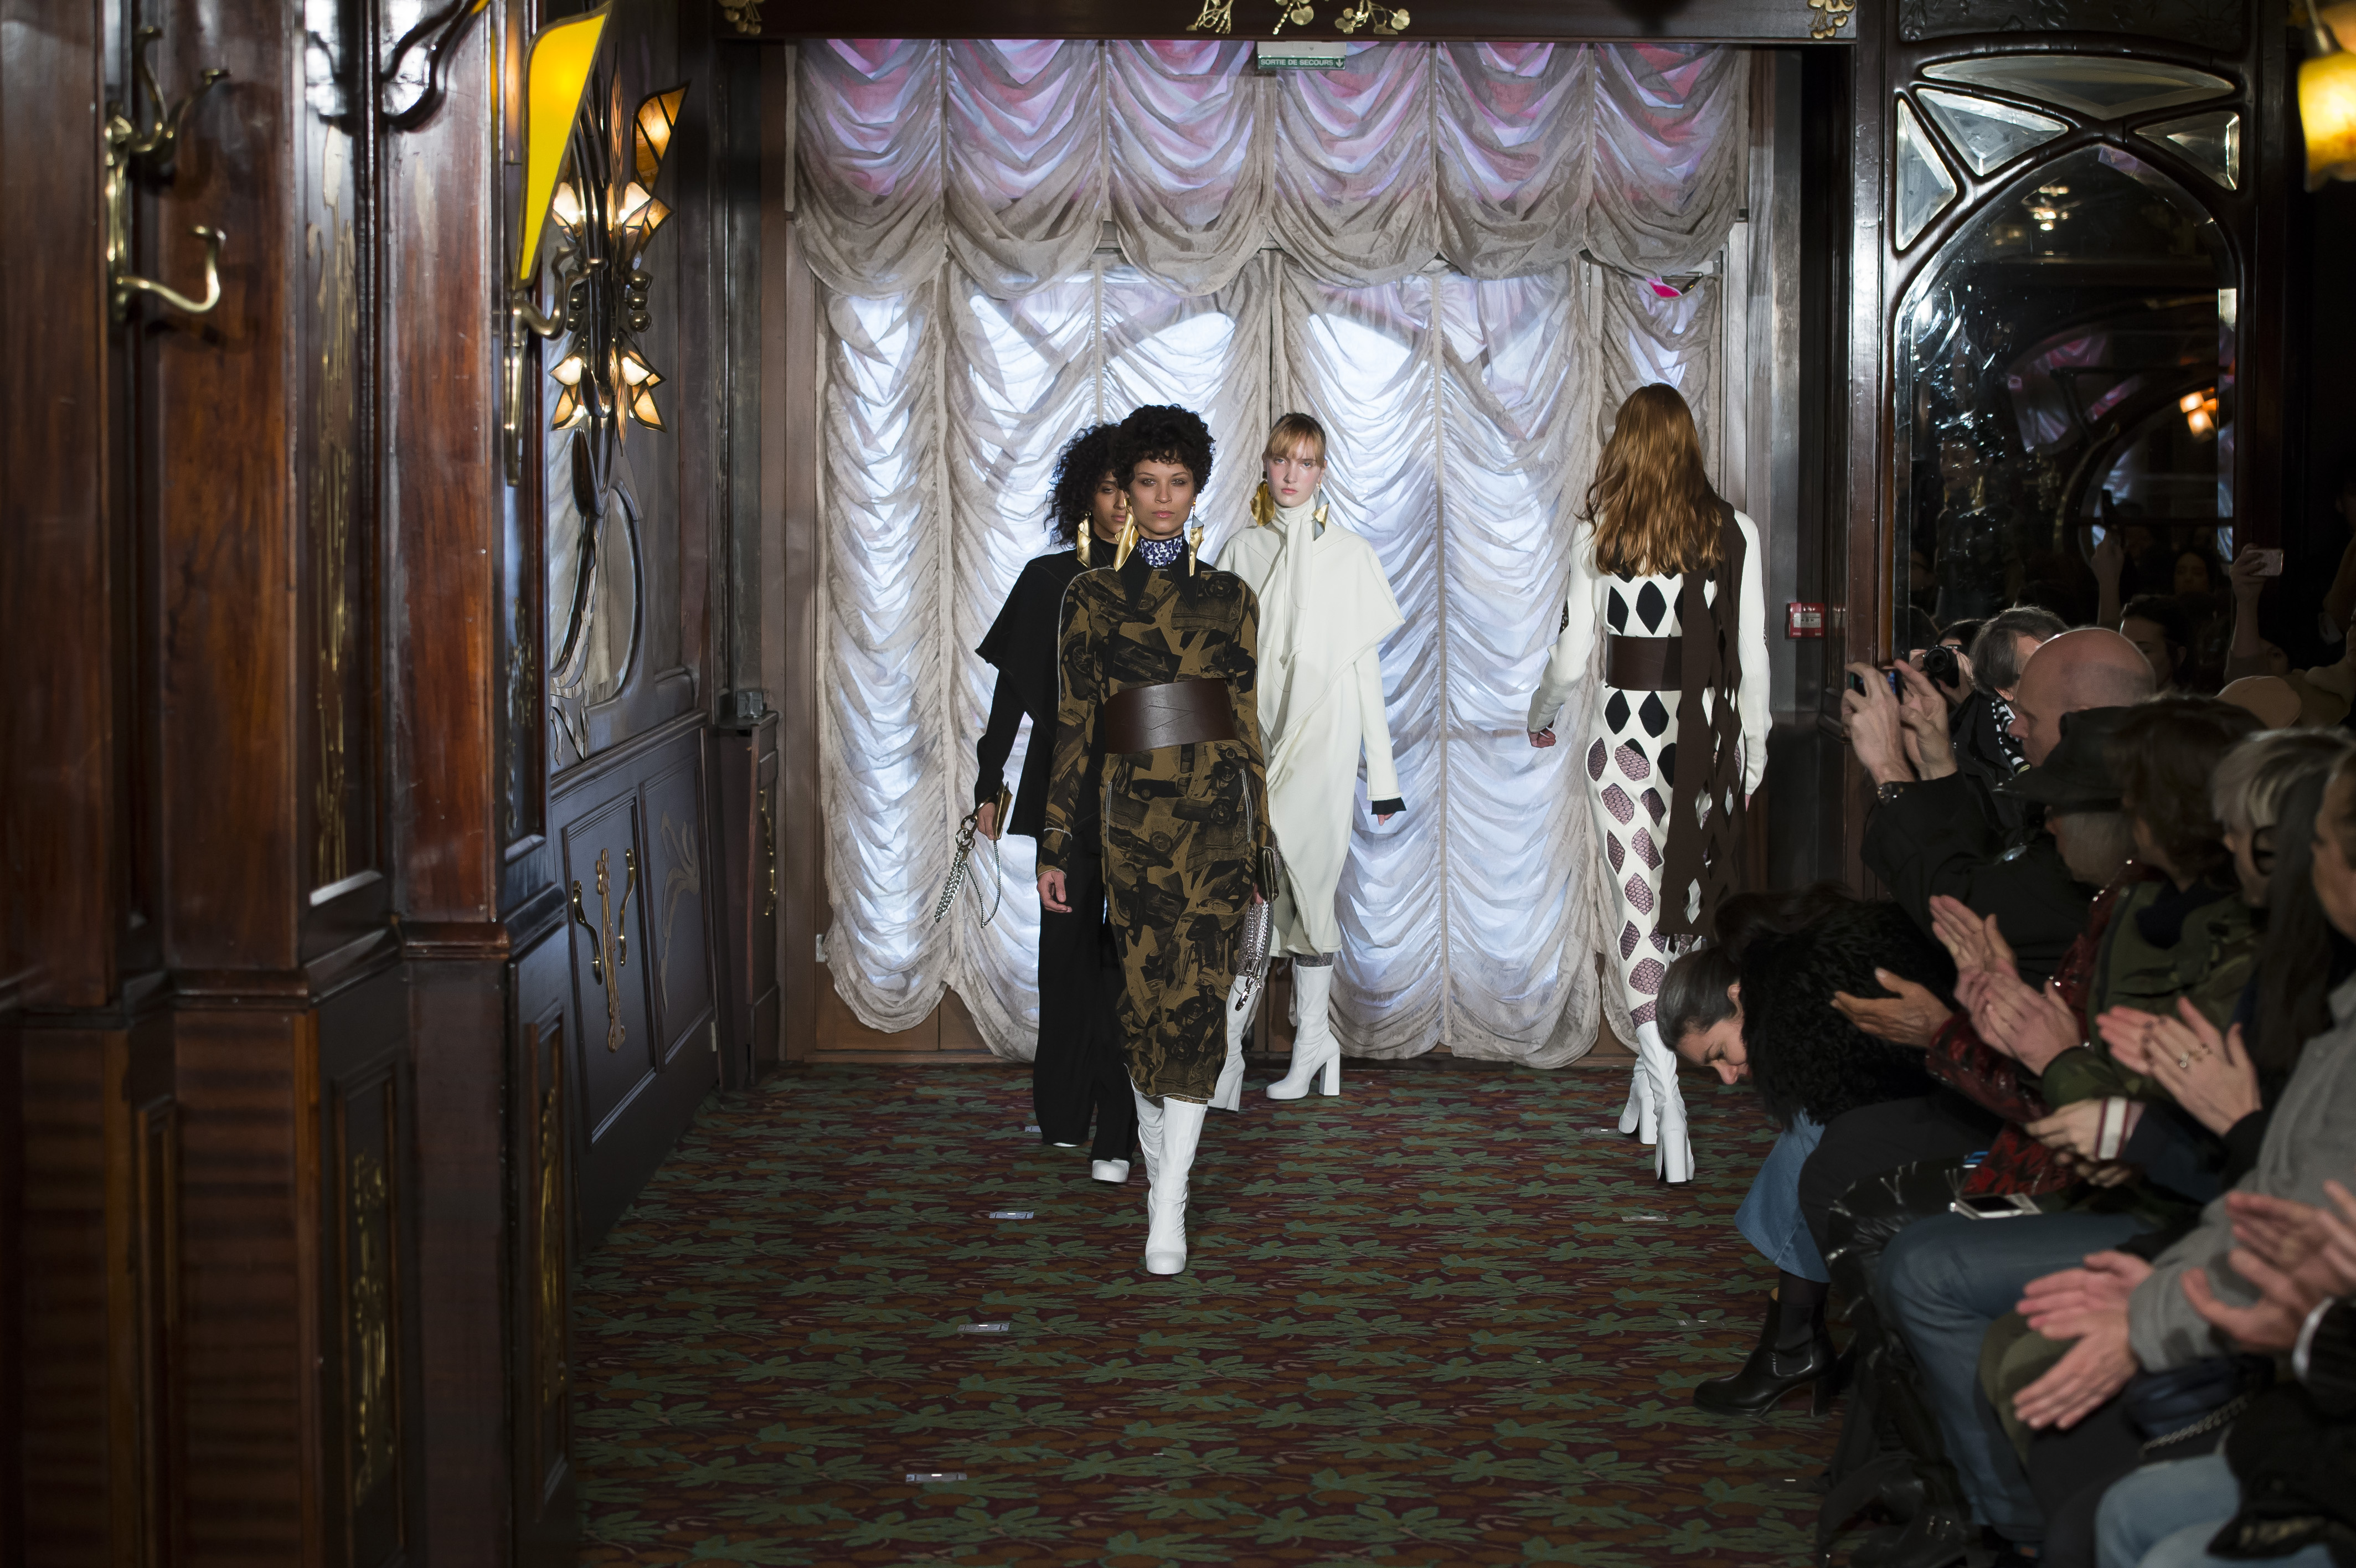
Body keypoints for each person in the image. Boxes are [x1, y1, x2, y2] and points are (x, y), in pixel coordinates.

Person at [1038, 404, 1270, 1276]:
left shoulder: (1231, 599)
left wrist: (1260, 844)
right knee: (1141, 1013)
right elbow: (1073, 725)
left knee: (1198, 1009)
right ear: (1125, 493)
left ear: (1197, 488)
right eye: (1147, 482)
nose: (1163, 498)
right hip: (1130, 828)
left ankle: (1169, 1197)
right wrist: (1054, 841)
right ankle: (1155, 1166)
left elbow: (1246, 725)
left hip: (1216, 825)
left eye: (1177, 482)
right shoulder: (1090, 598)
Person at [1526, 383, 1769, 1185]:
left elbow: (1571, 659)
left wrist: (1540, 713)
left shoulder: (1600, 533)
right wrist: (1754, 758)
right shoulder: (1734, 531)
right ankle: (1656, 1089)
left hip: (1625, 754)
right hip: (1704, 758)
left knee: (1640, 922)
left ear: (1622, 446)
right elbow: (1752, 659)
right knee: (1681, 928)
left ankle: (1666, 1106)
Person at [1660, 888, 1958, 1415]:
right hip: (1943, 1094)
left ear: (1738, 997)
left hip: (1970, 1107)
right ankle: (1794, 1341)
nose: (1727, 1078)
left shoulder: (1818, 991)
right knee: (1810, 1130)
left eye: (1720, 1054)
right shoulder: (1806, 978)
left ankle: (1793, 1346)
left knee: (1811, 1137)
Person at [1215, 414, 1404, 1102]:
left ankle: (1311, 1041)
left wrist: (1382, 779)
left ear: (1323, 472)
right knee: (1253, 895)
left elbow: (1363, 671)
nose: (1292, 473)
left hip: (1325, 740)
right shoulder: (1240, 550)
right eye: (1281, 459)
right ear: (1265, 465)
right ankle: (1230, 1057)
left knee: (1311, 891)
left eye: (1306, 461)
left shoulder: (1351, 556)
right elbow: (1218, 666)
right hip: (1256, 742)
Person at [975, 424, 1136, 1181]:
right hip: (1063, 789)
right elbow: (1010, 697)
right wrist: (987, 784)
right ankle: (1066, 1114)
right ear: (1084, 495)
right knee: (1064, 956)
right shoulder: (1048, 580)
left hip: (1139, 793)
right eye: (1106, 488)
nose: (1120, 503)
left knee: (1127, 963)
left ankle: (1122, 1118)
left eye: (1129, 488)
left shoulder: (1164, 582)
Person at [1855, 628, 2155, 986]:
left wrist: (1889, 768)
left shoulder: (2109, 822)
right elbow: (1994, 870)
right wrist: (1937, 765)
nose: (2015, 728)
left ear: (2081, 722)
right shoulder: (2126, 786)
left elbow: (1965, 911)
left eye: (2029, 715)